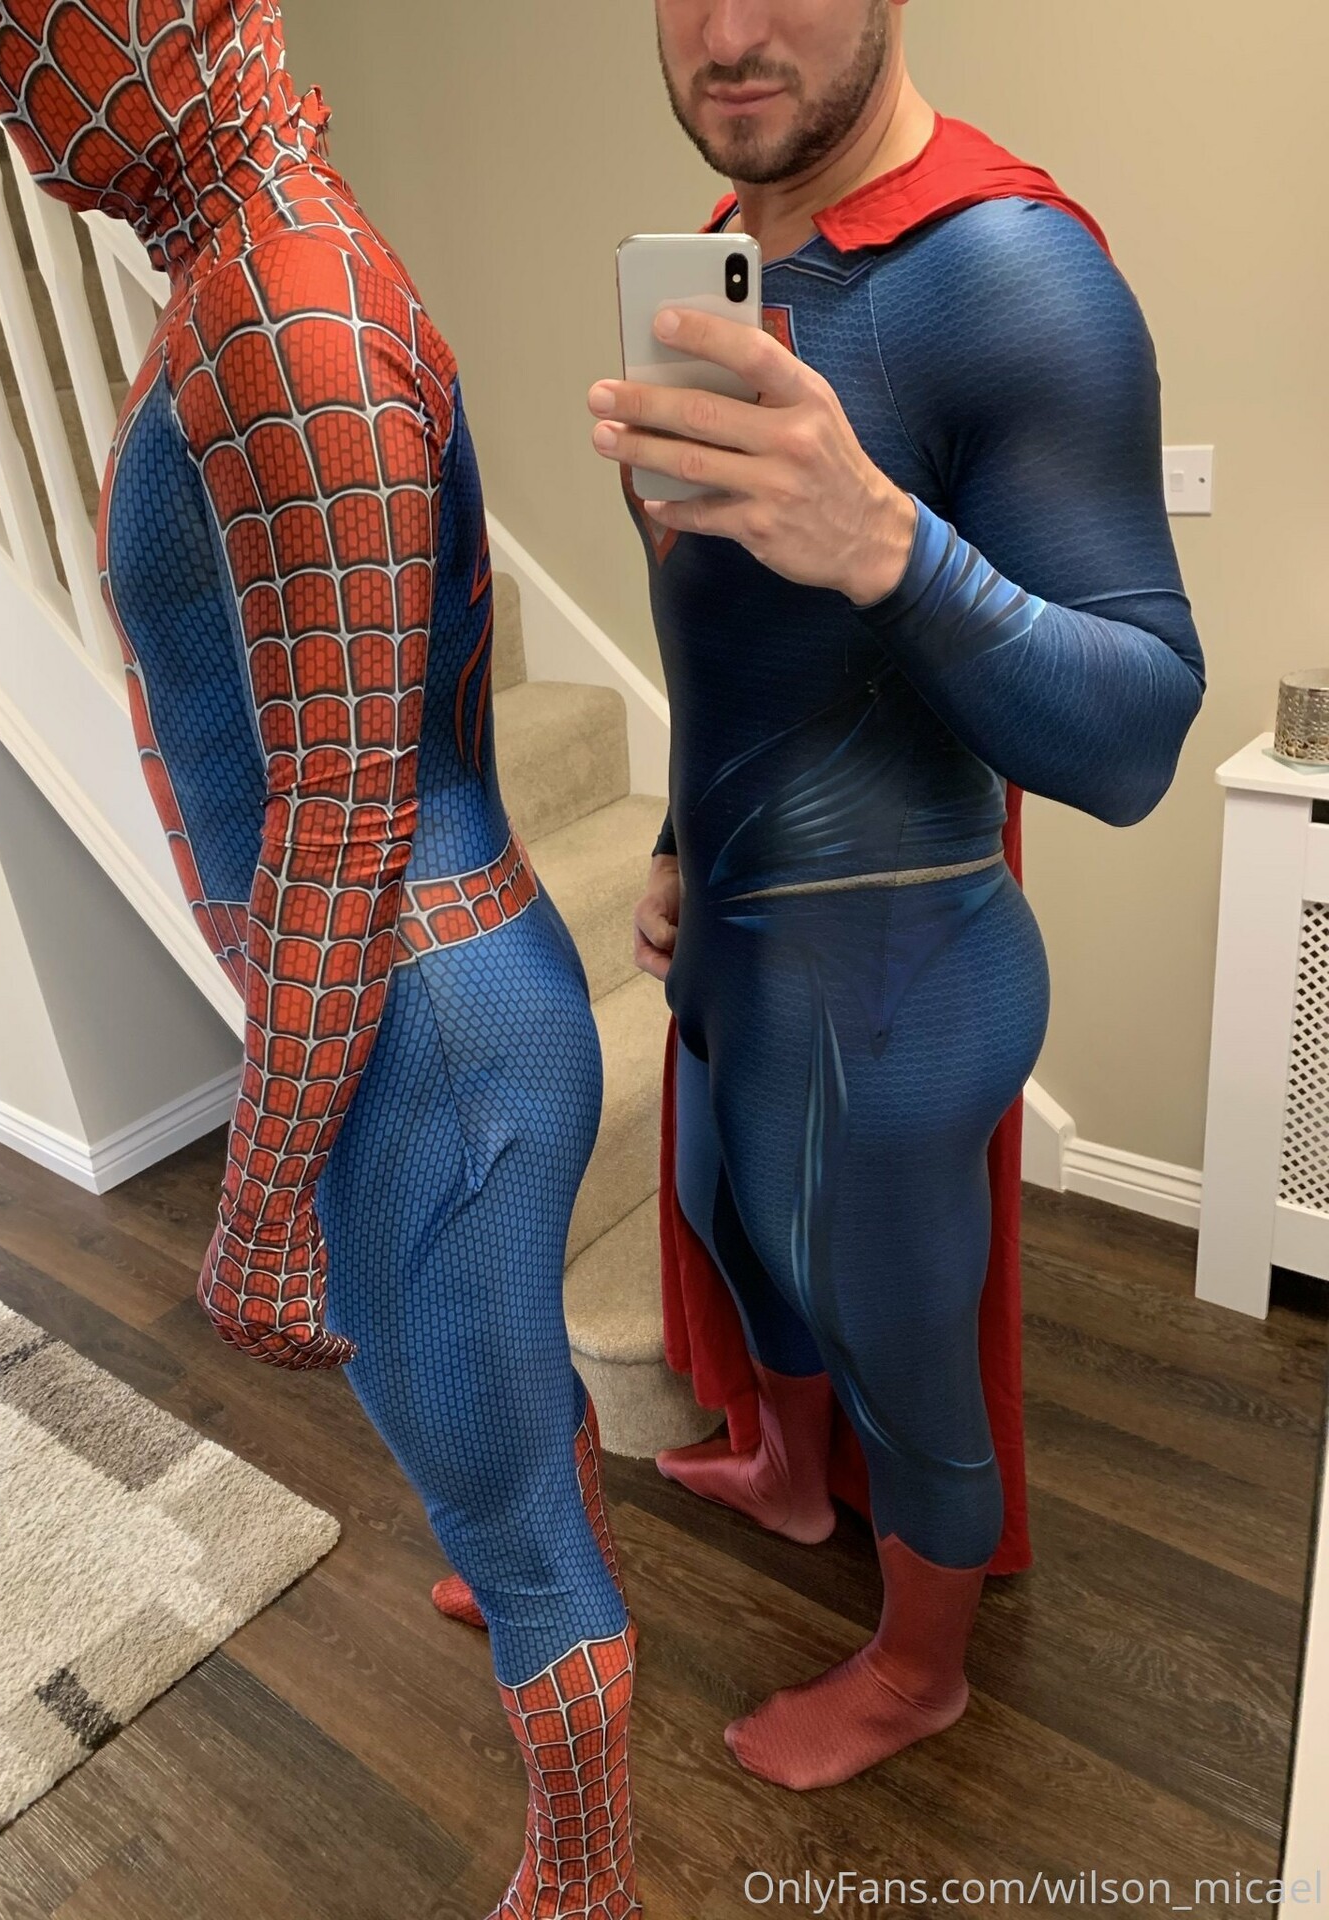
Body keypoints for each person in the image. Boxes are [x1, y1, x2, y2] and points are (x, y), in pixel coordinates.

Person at [0, 1, 639, 1910]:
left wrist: (258, 1201)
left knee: (499, 1492)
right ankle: (519, 1521)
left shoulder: (281, 298)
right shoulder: (245, 269)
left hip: (427, 1014)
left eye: (18, 53)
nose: (13, 121)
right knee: (493, 1415)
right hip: (426, 993)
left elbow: (343, 808)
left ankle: (586, 1880)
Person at [586, 0, 1205, 1793]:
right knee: (731, 1224)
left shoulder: (1009, 274)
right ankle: (791, 1477)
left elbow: (1139, 734)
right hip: (741, 937)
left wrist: (889, 546)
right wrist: (680, 844)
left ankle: (922, 1670)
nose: (728, 31)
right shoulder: (725, 258)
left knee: (899, 1331)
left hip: (902, 970)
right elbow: (728, 639)